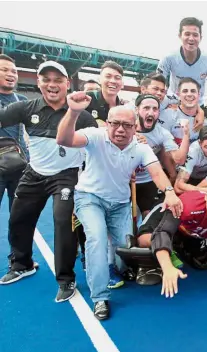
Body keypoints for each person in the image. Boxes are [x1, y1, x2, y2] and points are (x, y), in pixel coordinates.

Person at [56, 92, 182, 321]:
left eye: (126, 125)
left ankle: (116, 267)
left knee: (124, 248)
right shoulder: (94, 136)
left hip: (121, 204)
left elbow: (156, 172)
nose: (120, 129)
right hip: (89, 198)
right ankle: (100, 297)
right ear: (107, 124)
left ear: (135, 128)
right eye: (115, 124)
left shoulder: (141, 148)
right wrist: (73, 111)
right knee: (97, 238)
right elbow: (64, 140)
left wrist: (170, 192)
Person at [0, 61, 97, 304]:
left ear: (67, 84)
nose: (52, 85)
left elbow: (99, 144)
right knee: (18, 218)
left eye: (57, 80)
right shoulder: (25, 107)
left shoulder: (82, 115)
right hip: (34, 173)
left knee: (63, 222)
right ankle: (22, 264)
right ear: (38, 82)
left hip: (66, 175)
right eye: (46, 79)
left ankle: (66, 279)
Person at [0, 54, 29, 267]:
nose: (11, 75)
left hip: (20, 166)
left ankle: (19, 259)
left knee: (19, 216)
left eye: (14, 71)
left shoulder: (23, 101)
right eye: (5, 70)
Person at [157, 17, 207, 112]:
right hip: (173, 102)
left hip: (197, 106)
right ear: (180, 36)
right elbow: (158, 82)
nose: (191, 38)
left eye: (195, 35)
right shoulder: (168, 58)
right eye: (187, 34)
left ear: (200, 37)